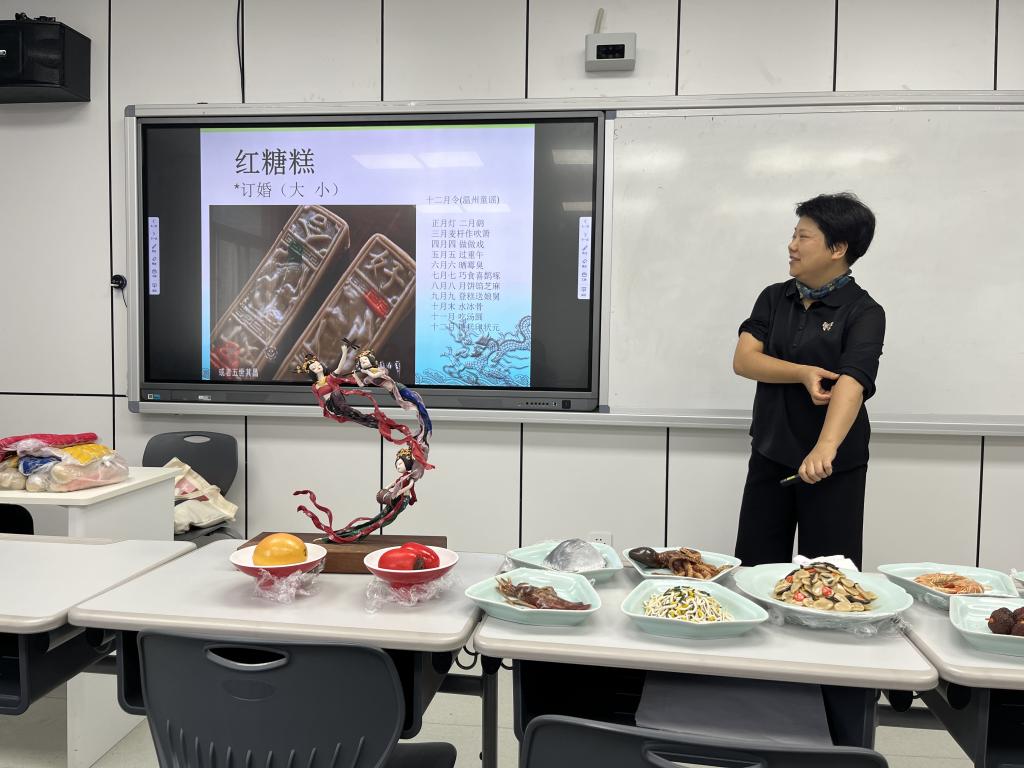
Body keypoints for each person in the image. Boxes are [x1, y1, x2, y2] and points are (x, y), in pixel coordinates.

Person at [732, 193, 884, 568]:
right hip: (770, 452)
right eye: (794, 235)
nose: (792, 245)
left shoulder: (864, 311)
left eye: (804, 237)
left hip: (832, 465)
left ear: (838, 249)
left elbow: (853, 382)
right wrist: (802, 373)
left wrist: (824, 448)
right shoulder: (774, 298)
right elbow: (745, 360)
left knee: (828, 577)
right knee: (755, 569)